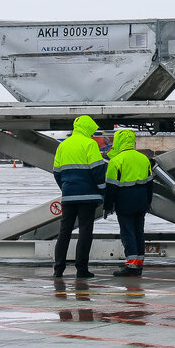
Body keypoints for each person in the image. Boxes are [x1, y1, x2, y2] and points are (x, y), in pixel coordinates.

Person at [52, 114, 107, 279]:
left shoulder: (63, 145)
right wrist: (103, 191)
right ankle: (81, 269)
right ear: (87, 128)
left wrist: (66, 188)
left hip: (68, 195)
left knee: (64, 231)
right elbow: (97, 170)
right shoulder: (89, 144)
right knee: (85, 231)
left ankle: (58, 269)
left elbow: (56, 172)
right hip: (88, 195)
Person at [103, 128, 154, 277]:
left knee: (128, 233)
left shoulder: (116, 161)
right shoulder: (143, 159)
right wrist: (148, 202)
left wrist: (107, 206)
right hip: (141, 202)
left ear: (118, 142)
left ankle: (131, 266)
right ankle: (138, 264)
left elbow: (111, 188)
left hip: (125, 202)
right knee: (139, 232)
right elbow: (150, 185)